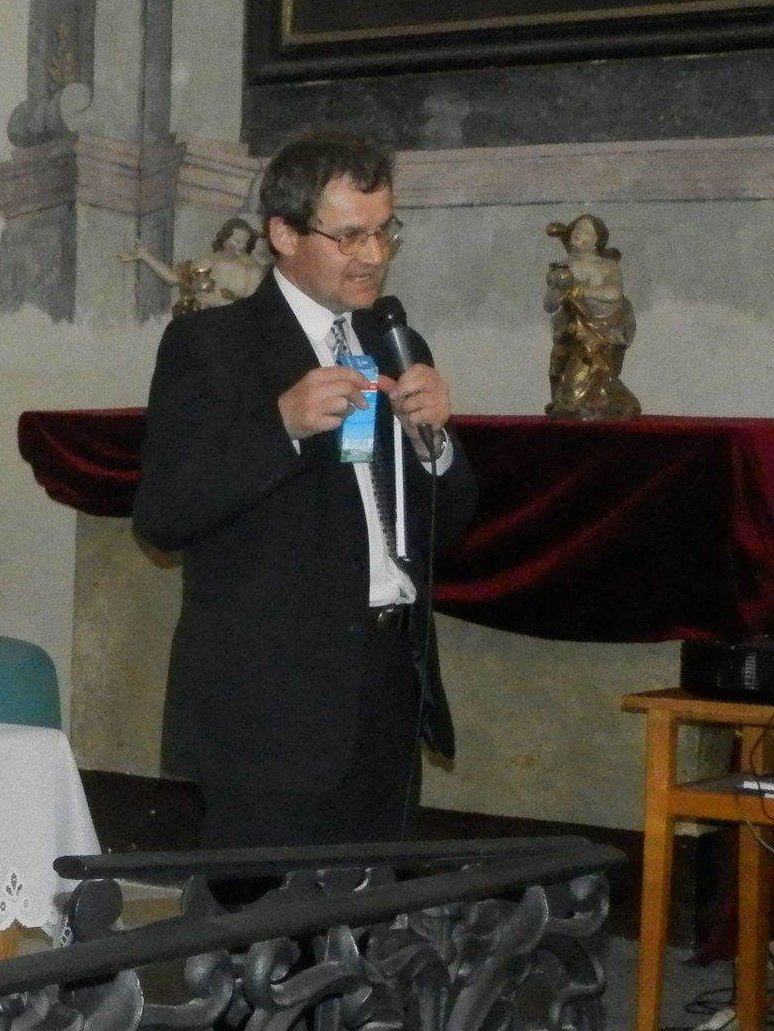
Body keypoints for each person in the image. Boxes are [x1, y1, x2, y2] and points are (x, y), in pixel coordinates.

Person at [133, 134, 476, 851]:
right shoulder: (212, 344)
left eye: (384, 231)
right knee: (265, 916)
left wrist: (435, 447)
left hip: (386, 685)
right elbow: (164, 515)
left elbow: (447, 529)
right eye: (350, 235)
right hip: (271, 706)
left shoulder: (395, 345)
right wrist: (281, 427)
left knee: (371, 911)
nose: (373, 255)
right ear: (284, 234)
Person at [544, 213, 641, 420]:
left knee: (578, 391)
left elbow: (613, 294)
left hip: (599, 333)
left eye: (588, 231)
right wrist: (557, 289)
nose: (580, 233)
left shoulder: (606, 266)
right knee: (557, 373)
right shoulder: (562, 267)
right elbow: (549, 305)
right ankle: (575, 402)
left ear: (598, 241)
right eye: (577, 228)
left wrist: (576, 291)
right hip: (570, 332)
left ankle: (606, 402)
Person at [119, 217, 267, 315]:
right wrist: (145, 256)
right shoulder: (207, 263)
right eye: (237, 241)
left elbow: (253, 310)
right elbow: (173, 277)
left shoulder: (251, 269)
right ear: (224, 238)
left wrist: (219, 302)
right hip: (207, 325)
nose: (241, 246)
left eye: (244, 242)